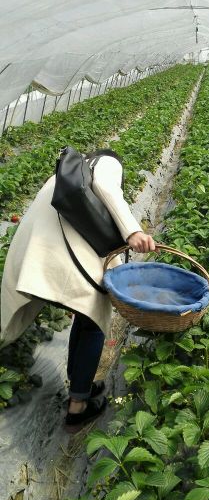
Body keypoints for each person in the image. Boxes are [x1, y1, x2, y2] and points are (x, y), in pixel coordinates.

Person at [0, 147, 156, 430]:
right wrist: (133, 231)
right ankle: (78, 406)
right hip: (62, 255)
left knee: (83, 312)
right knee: (94, 317)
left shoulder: (67, 172)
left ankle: (79, 383)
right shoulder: (106, 163)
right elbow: (106, 187)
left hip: (36, 254)